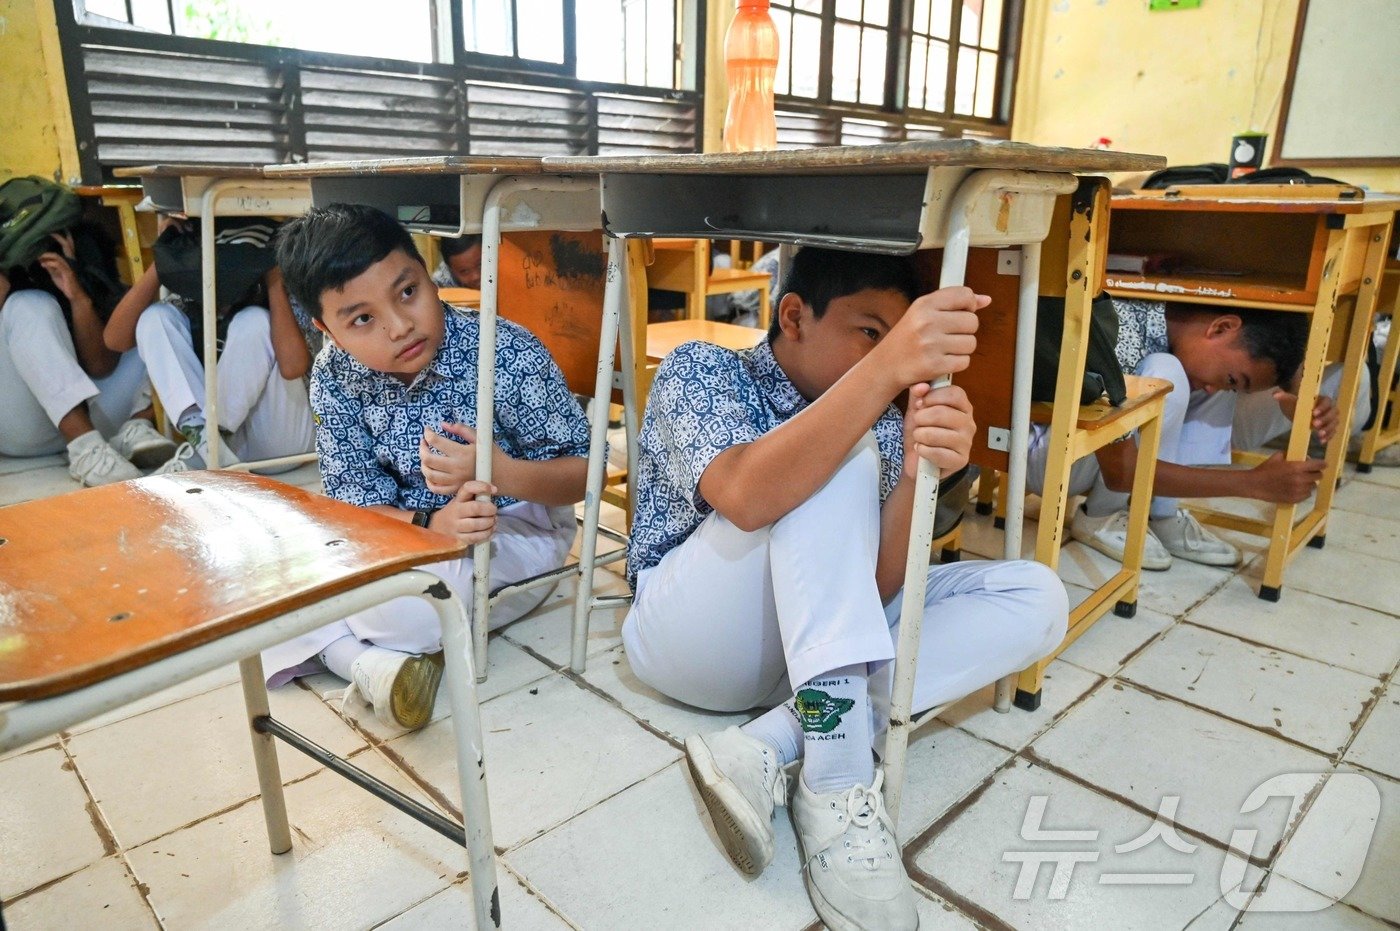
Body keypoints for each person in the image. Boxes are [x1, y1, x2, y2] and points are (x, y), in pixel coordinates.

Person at [622, 247, 1068, 930]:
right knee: (832, 453)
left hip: (805, 649)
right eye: (871, 331)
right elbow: (744, 495)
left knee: (1037, 598)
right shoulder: (704, 367)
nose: (891, 356)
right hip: (689, 633)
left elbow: (877, 582)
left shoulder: (883, 421)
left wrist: (921, 467)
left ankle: (770, 741)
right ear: (795, 316)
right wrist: (887, 371)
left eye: (898, 339)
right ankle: (835, 782)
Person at [265, 204, 590, 730]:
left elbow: (583, 472)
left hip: (514, 525)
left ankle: (350, 653)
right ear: (328, 330)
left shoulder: (502, 349)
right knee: (265, 569)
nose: (399, 327)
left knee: (397, 610)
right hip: (407, 531)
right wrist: (429, 526)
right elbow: (357, 507)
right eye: (363, 319)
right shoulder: (334, 374)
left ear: (427, 273)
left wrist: (498, 471)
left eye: (408, 292)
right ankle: (370, 667)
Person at [1027, 297, 1321, 570]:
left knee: (1197, 377)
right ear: (1221, 327)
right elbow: (1122, 472)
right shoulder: (1127, 334)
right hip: (1040, 453)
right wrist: (1253, 483)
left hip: (1074, 447)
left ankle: (1160, 514)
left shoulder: (1166, 321)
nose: (1213, 388)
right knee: (1169, 376)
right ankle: (1101, 516)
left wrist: (1300, 392)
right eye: (1234, 380)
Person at [103, 216, 318, 471]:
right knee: (155, 317)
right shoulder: (194, 294)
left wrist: (273, 280)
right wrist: (167, 259)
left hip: (280, 443)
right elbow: (114, 339)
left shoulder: (273, 292)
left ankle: (205, 451)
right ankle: (205, 441)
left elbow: (293, 367)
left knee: (254, 321)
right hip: (226, 451)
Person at [0, 228, 173, 484]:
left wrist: (78, 295)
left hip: (96, 423)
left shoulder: (78, 253)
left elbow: (100, 365)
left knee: (157, 317)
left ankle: (136, 428)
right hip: (21, 427)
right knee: (29, 304)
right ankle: (86, 451)